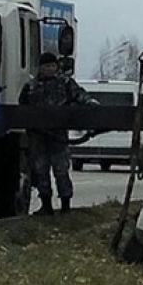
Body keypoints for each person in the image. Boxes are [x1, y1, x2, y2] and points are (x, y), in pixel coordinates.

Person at [19, 52, 97, 215]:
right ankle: (46, 205)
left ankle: (65, 205)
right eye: (47, 66)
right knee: (41, 172)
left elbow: (80, 95)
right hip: (38, 136)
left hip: (58, 136)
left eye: (53, 66)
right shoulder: (31, 87)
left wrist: (91, 103)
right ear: (40, 68)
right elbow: (23, 109)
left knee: (61, 171)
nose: (50, 69)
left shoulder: (66, 83)